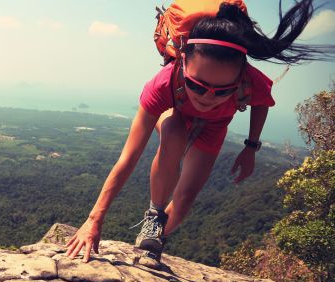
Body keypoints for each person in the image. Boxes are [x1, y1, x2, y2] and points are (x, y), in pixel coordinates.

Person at [65, 0, 335, 268]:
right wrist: (94, 219)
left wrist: (251, 147)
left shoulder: (249, 80)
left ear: (239, 77)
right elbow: (129, 157)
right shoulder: (163, 84)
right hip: (177, 115)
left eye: (222, 91)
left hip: (213, 129)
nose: (208, 97)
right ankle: (154, 216)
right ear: (183, 62)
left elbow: (261, 102)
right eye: (198, 85)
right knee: (173, 132)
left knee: (183, 202)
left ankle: (154, 239)